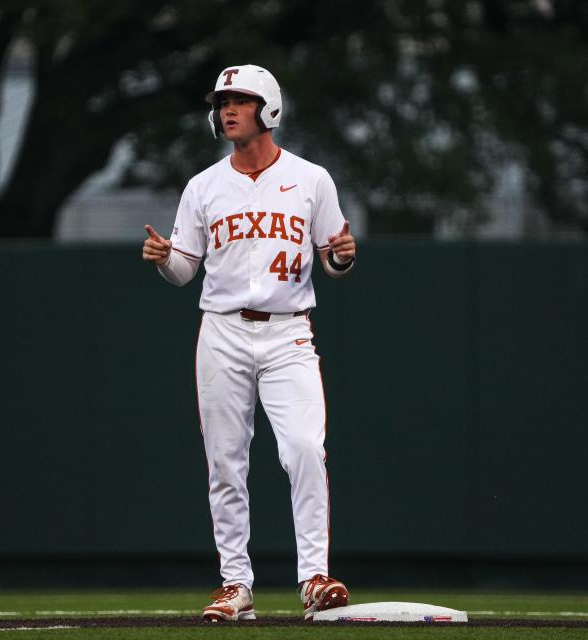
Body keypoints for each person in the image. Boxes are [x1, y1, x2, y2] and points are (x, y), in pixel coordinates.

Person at [142, 64, 356, 622]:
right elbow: (186, 270)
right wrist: (168, 261)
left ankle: (313, 576)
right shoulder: (203, 186)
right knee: (225, 463)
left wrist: (340, 257)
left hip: (289, 330)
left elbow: (333, 256)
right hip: (223, 330)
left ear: (269, 109)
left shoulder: (312, 180)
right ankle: (236, 586)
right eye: (222, 102)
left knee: (305, 449)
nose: (228, 109)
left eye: (240, 99)